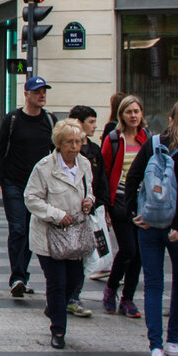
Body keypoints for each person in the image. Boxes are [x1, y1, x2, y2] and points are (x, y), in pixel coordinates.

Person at [123, 97, 178, 356]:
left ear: (170, 119)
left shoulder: (154, 142)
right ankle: (174, 341)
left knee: (153, 285)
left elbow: (133, 177)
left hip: (149, 223)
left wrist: (136, 213)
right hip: (176, 228)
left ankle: (155, 347)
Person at [24, 119, 96, 349]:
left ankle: (54, 308)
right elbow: (31, 198)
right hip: (49, 235)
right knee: (57, 282)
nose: (75, 147)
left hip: (75, 235)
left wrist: (89, 202)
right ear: (59, 143)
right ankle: (58, 330)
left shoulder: (84, 164)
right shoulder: (44, 167)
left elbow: (91, 191)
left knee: (73, 281)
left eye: (78, 142)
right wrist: (56, 214)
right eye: (69, 142)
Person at [0, 77, 57, 298]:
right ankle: (17, 277)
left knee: (30, 231)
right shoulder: (13, 119)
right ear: (26, 94)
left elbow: (55, 154)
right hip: (14, 183)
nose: (42, 95)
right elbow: (0, 151)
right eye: (37, 91)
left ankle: (22, 275)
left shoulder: (50, 120)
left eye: (44, 91)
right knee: (18, 228)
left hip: (38, 188)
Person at [99, 95, 148, 316]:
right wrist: (105, 205)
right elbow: (104, 171)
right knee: (128, 248)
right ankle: (111, 288)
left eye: (137, 111)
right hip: (119, 200)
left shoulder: (146, 139)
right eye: (129, 112)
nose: (134, 115)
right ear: (122, 115)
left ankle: (127, 299)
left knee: (139, 253)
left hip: (142, 201)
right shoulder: (114, 139)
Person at [66, 105, 111, 318]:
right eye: (91, 122)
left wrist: (101, 205)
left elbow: (100, 180)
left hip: (89, 211)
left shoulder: (94, 150)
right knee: (67, 256)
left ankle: (73, 297)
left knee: (84, 255)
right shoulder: (64, 149)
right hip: (67, 211)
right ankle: (61, 296)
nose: (95, 126)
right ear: (78, 122)